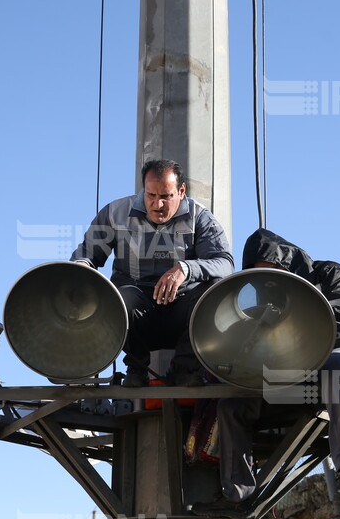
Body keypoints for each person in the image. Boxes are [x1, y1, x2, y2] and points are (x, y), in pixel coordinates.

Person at [192, 228, 340, 519]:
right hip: (293, 370)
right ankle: (237, 497)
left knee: (337, 367)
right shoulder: (270, 301)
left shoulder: (332, 274)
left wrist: (290, 339)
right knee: (232, 404)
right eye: (258, 275)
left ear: (285, 262)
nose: (267, 280)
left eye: (270, 271)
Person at [71, 159, 233, 387]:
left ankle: (184, 369)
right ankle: (137, 368)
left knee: (216, 291)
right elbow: (86, 255)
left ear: (181, 191)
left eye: (166, 196)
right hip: (136, 315)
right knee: (119, 296)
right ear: (143, 190)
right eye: (151, 196)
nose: (157, 205)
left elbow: (224, 264)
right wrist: (82, 267)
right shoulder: (115, 213)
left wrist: (186, 269)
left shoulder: (200, 217)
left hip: (185, 315)